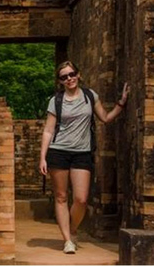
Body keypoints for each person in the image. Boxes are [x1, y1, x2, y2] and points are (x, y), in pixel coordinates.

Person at [39, 60, 130, 254]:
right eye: (64, 77)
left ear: (78, 75)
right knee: (61, 196)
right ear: (60, 81)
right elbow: (48, 130)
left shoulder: (90, 96)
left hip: (82, 152)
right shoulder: (56, 101)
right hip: (58, 151)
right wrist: (42, 157)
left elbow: (105, 118)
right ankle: (67, 240)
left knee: (80, 199)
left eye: (72, 74)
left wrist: (121, 103)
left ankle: (72, 229)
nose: (69, 79)